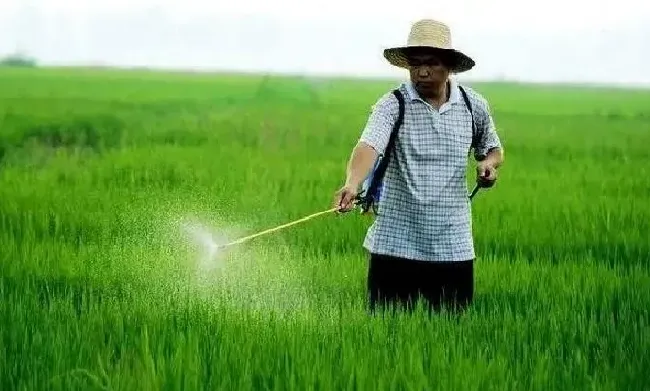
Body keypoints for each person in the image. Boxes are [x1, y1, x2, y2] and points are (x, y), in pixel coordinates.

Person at [333, 19, 504, 314]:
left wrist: (489, 166)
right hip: (395, 244)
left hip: (452, 244)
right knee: (385, 335)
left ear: (449, 65)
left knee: (452, 336)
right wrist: (352, 183)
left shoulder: (472, 105)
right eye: (415, 64)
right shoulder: (393, 104)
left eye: (431, 63)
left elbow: (492, 149)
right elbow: (368, 146)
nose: (422, 72)